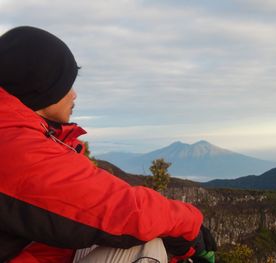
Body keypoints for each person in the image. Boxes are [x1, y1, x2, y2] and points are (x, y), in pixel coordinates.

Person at [0, 26, 216, 263]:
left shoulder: (19, 134)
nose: (74, 95)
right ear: (40, 86)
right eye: (65, 85)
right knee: (144, 249)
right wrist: (190, 228)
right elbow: (120, 210)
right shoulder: (13, 146)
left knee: (150, 236)